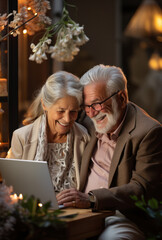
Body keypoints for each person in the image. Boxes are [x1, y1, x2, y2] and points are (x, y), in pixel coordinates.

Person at [57, 65, 162, 239]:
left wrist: (91, 199)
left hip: (121, 217)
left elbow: (140, 189)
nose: (91, 113)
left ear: (121, 98)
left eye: (96, 104)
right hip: (81, 214)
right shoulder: (86, 119)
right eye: (86, 106)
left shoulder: (149, 132)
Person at [6, 71, 90, 193]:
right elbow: (13, 187)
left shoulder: (84, 137)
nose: (67, 119)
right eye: (61, 111)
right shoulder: (21, 137)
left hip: (76, 210)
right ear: (44, 104)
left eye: (73, 112)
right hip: (35, 210)